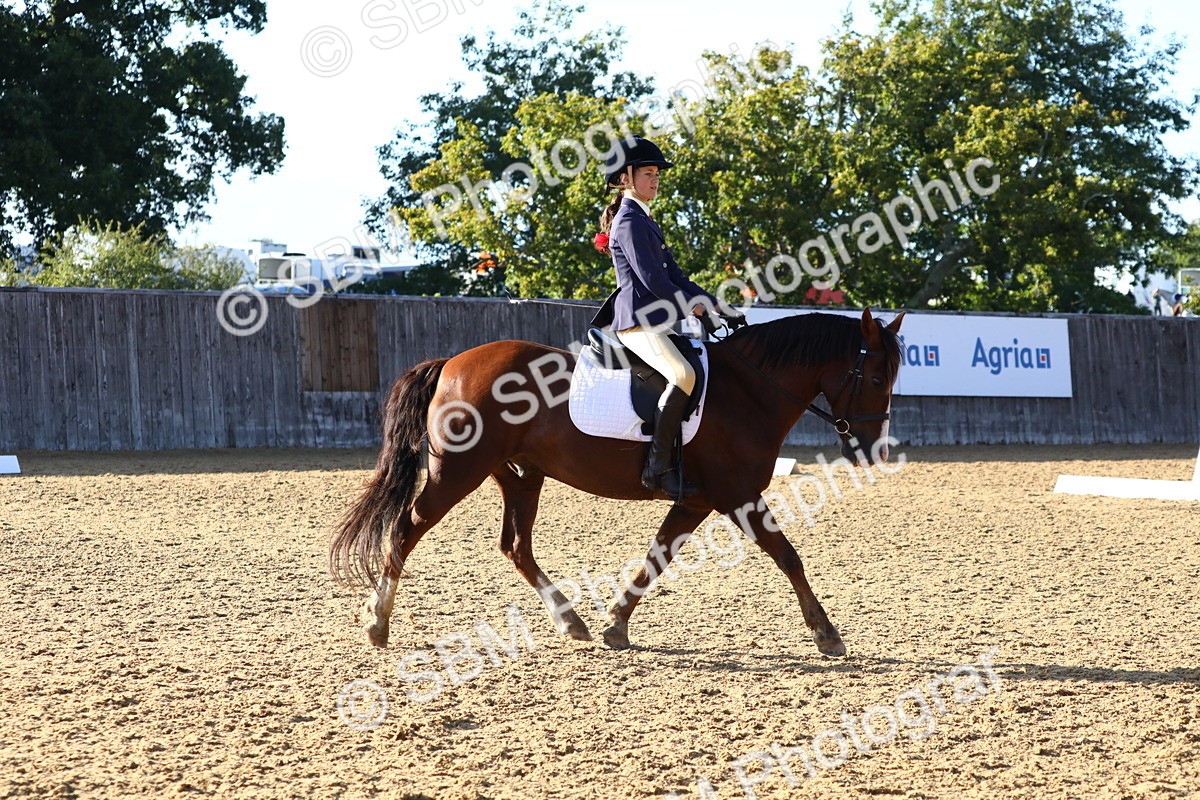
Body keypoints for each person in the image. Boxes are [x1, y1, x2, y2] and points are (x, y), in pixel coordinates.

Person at [590, 136, 746, 499]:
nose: (655, 179)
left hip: (655, 321)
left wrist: (718, 305)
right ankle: (657, 468)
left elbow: (677, 277)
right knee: (683, 374)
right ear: (626, 177)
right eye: (648, 173)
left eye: (657, 174)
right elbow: (653, 280)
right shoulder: (628, 222)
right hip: (636, 324)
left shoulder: (645, 220)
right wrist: (691, 308)